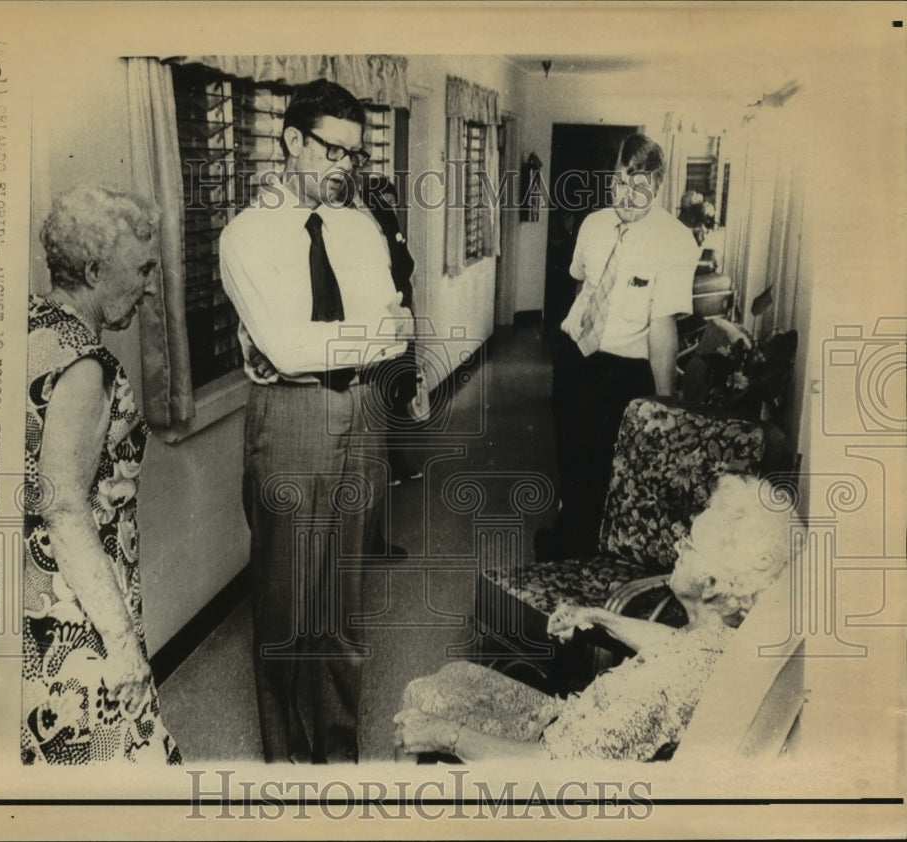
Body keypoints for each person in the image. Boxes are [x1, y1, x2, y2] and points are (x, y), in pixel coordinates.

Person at [219, 79, 412, 763]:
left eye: (355, 156)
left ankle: (338, 751)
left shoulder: (360, 228)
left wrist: (327, 343)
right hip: (291, 418)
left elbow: (400, 331)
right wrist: (347, 338)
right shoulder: (246, 234)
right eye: (333, 151)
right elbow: (288, 349)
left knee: (345, 600)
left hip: (363, 409)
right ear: (293, 140)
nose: (346, 168)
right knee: (286, 604)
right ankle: (286, 755)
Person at [394, 474, 793, 762]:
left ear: (710, 584)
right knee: (456, 676)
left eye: (688, 544)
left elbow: (549, 775)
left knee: (425, 699)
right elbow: (673, 644)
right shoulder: (719, 639)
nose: (677, 546)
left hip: (547, 758)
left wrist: (447, 737)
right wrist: (599, 617)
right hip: (572, 723)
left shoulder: (661, 688)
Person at [22, 184, 181, 764]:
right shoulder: (85, 367)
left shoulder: (32, 322)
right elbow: (64, 510)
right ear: (93, 269)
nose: (148, 285)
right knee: (120, 758)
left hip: (38, 588)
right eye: (141, 269)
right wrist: (122, 645)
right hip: (77, 602)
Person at [537, 134, 700, 560]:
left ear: (657, 185)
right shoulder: (593, 225)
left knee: (610, 474)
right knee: (571, 460)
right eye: (618, 183)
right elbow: (582, 283)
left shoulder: (676, 241)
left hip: (623, 374)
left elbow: (662, 328)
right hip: (575, 358)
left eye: (638, 186)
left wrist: (666, 407)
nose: (625, 196)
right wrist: (572, 341)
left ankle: (591, 559)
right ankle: (568, 543)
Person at [359, 173, 423, 489]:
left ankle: (397, 461)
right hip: (382, 324)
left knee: (400, 390)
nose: (388, 205)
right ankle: (384, 464)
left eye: (390, 199)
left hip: (401, 319)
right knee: (383, 393)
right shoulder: (364, 228)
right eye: (382, 199)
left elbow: (405, 264)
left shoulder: (389, 223)